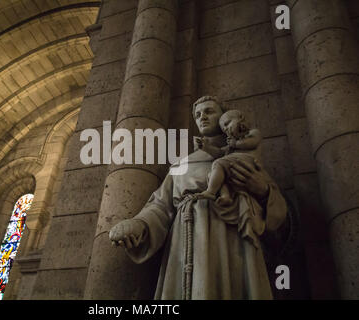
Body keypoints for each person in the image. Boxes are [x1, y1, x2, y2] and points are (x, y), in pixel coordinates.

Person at [109, 96, 288, 299]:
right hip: (186, 239)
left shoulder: (244, 156)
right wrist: (140, 224)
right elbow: (160, 205)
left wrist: (263, 190)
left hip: (231, 238)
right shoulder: (181, 165)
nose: (202, 117)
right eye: (197, 114)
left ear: (224, 117)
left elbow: (280, 215)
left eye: (209, 111)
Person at [197, 109, 262, 207]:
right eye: (224, 129)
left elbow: (253, 142)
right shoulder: (232, 142)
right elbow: (221, 152)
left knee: (218, 164)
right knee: (213, 175)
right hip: (233, 164)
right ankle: (225, 196)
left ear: (241, 118)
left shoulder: (252, 133)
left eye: (227, 124)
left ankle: (210, 192)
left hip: (247, 162)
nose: (226, 129)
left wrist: (236, 143)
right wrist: (206, 147)